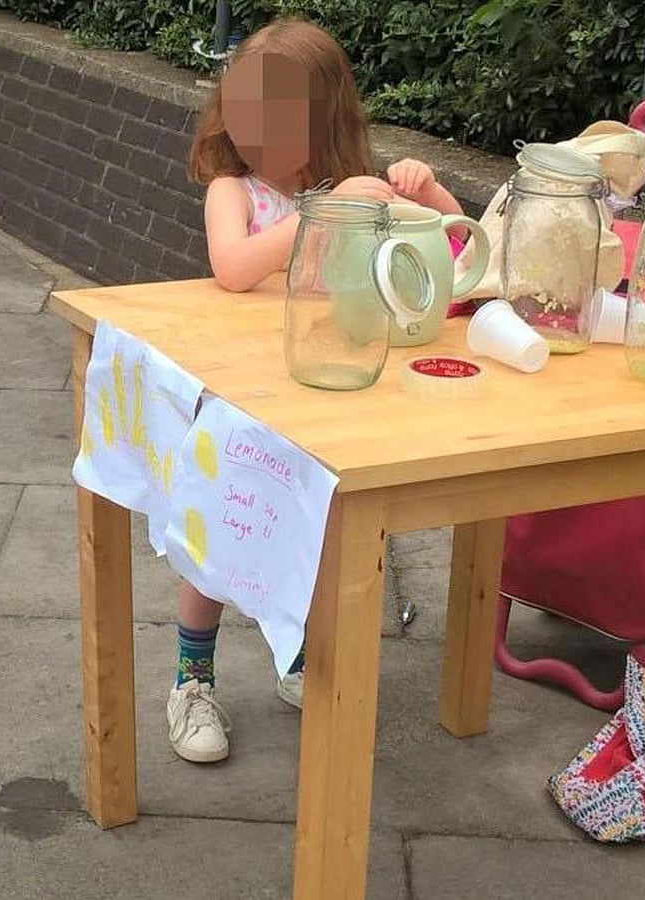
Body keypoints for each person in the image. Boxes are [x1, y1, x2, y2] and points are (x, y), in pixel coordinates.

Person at [173, 16, 465, 764]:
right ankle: (192, 678)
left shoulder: (351, 189)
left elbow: (455, 246)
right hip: (240, 398)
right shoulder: (234, 190)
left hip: (329, 393)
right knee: (214, 534)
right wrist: (321, 211)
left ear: (325, 119)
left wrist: (425, 189)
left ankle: (296, 656)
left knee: (312, 532)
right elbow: (233, 266)